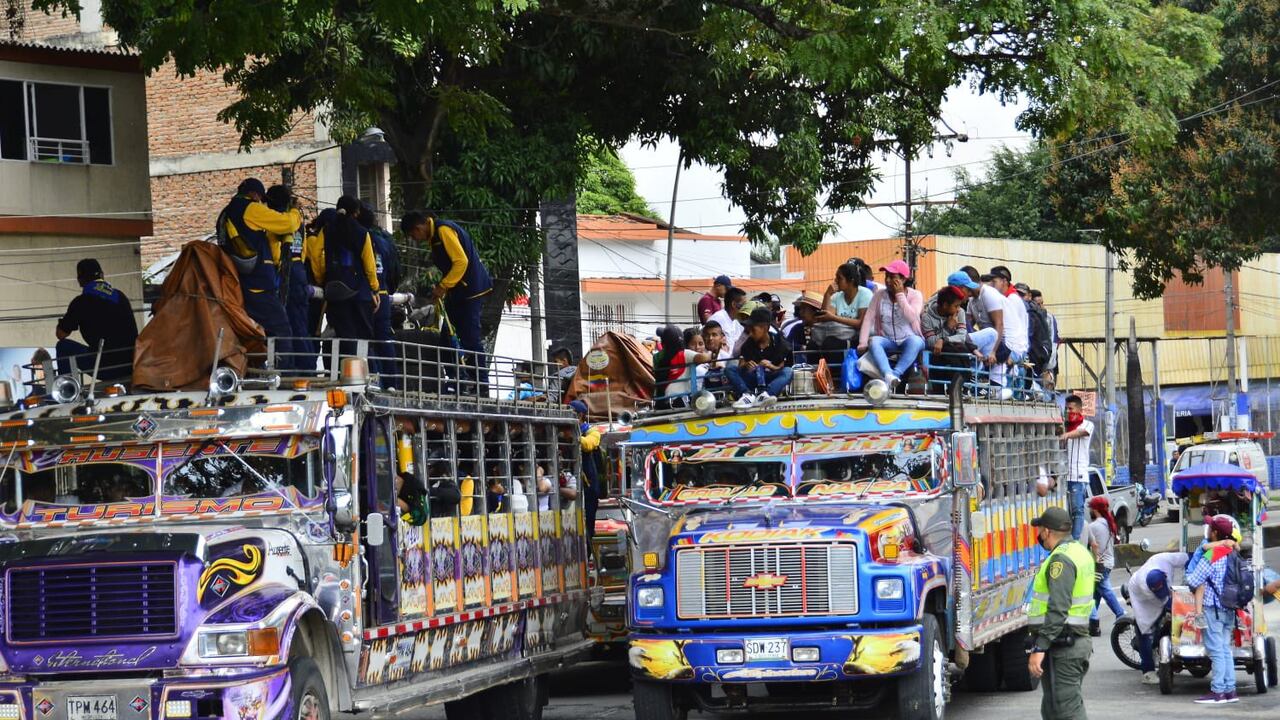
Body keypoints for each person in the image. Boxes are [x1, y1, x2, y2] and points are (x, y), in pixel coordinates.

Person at [400, 210, 494, 389]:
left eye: (414, 235)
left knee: (470, 338)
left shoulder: (443, 230)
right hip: (458, 292)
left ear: (419, 227)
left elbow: (461, 261)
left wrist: (443, 286)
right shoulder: (435, 236)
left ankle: (481, 384)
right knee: (446, 337)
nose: (416, 240)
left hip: (470, 291)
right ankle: (456, 380)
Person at [217, 178, 304, 369]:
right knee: (281, 328)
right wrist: (296, 212)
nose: (262, 203)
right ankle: (285, 374)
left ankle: (260, 370)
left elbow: (259, 240)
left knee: (255, 332)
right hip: (258, 285)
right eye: (260, 199)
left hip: (239, 282)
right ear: (255, 195)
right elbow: (287, 224)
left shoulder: (226, 213)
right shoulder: (251, 209)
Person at [1027, 506, 1096, 720]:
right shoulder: (1079, 551)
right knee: (1053, 709)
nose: (1039, 536)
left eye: (1040, 531)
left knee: (1066, 710)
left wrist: (1040, 647)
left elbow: (1058, 608)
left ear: (1047, 532)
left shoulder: (1060, 560)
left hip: (1066, 644)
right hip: (1070, 641)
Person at [308, 197, 382, 360]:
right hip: (359, 292)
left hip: (334, 291)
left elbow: (315, 253)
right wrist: (374, 289)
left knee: (344, 338)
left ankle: (345, 375)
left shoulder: (327, 229)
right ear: (356, 213)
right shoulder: (363, 233)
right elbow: (370, 267)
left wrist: (321, 277)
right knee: (363, 339)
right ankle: (361, 378)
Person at [1187, 514, 1242, 704]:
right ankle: (1230, 690)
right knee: (1225, 649)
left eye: (1210, 528)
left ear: (1215, 533)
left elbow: (1193, 580)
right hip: (1230, 608)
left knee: (1216, 650)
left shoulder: (1213, 554)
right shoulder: (1233, 552)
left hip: (1213, 609)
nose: (1208, 531)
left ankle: (1218, 692)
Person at [55, 259, 139, 381]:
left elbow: (61, 334)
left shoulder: (81, 302)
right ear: (102, 275)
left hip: (104, 366)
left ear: (80, 279)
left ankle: (68, 390)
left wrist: (63, 322)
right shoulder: (120, 297)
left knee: (63, 346)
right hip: (130, 365)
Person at [266, 185, 317, 372]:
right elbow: (303, 252)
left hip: (284, 272)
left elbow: (274, 252)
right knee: (301, 324)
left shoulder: (276, 222)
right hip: (299, 271)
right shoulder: (298, 222)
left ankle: (297, 368)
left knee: (286, 324)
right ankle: (308, 367)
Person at [857, 259, 924, 390]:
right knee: (874, 341)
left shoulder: (916, 295)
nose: (887, 280)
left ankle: (895, 374)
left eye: (892, 277)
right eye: (886, 276)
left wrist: (900, 295)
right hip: (888, 339)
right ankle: (888, 374)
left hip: (909, 338)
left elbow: (912, 317)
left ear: (903, 280)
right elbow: (868, 318)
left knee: (916, 341)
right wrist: (862, 342)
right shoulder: (879, 295)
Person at [1126, 551, 1189, 684]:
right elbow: (1166, 602)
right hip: (1141, 597)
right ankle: (1147, 672)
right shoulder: (1145, 587)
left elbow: (1187, 557)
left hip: (1162, 591)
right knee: (1144, 628)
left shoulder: (1163, 559)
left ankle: (1157, 644)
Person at [359, 203, 401, 382]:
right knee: (384, 338)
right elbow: (395, 270)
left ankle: (373, 380)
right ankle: (391, 381)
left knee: (364, 339)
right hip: (383, 293)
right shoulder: (385, 241)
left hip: (365, 293)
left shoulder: (358, 238)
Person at [920, 285, 983, 392]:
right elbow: (931, 342)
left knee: (959, 348)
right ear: (945, 305)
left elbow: (962, 337)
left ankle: (965, 383)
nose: (958, 309)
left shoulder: (960, 313)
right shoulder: (927, 317)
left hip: (956, 354)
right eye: (956, 306)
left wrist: (943, 340)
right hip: (937, 357)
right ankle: (966, 383)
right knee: (952, 349)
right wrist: (948, 328)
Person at [727, 308, 794, 409]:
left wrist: (771, 367)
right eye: (749, 330)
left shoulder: (780, 342)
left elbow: (785, 366)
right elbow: (741, 365)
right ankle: (747, 395)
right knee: (730, 369)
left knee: (788, 371)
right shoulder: (747, 344)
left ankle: (766, 395)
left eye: (753, 330)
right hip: (752, 379)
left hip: (771, 379)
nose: (750, 333)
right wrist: (746, 366)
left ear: (765, 328)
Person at [812, 262, 872, 371]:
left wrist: (834, 318)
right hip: (839, 334)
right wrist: (827, 294)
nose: (836, 281)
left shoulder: (865, 294)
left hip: (858, 337)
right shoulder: (836, 296)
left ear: (851, 281)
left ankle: (835, 374)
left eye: (839, 278)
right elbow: (825, 316)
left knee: (830, 344)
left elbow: (860, 323)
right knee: (813, 344)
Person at [1086, 496, 1126, 636]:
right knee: (1095, 593)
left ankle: (1121, 615)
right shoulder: (1108, 523)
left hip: (1099, 564)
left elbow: (1088, 545)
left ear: (1095, 509)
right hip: (1108, 562)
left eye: (1091, 507)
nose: (1090, 510)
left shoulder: (1094, 526)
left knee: (1104, 591)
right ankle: (1092, 621)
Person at [988, 266, 1029, 394]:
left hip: (1014, 351)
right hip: (1015, 350)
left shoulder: (1011, 300)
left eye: (994, 282)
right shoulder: (1009, 298)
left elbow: (1014, 330)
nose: (991, 285)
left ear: (1004, 281)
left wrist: (1011, 354)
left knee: (1009, 395)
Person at [958, 266, 1004, 374]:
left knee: (990, 333)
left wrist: (993, 352)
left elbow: (999, 324)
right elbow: (967, 325)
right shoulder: (971, 300)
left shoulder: (988, 294)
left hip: (1000, 343)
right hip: (987, 342)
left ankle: (980, 375)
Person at [1060, 394, 1094, 540]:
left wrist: (1066, 435)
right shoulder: (1064, 426)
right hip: (1064, 476)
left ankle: (1074, 540)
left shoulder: (1087, 424)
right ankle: (1066, 538)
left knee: (1077, 510)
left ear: (1079, 410)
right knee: (1066, 513)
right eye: (1066, 408)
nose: (1068, 411)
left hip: (1078, 477)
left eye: (1071, 408)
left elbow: (1081, 432)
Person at [653, 325, 714, 403]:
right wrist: (711, 352)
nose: (697, 347)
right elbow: (705, 358)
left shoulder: (659, 358)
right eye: (693, 344)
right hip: (679, 399)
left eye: (701, 344)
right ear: (684, 343)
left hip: (664, 399)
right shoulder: (684, 354)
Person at [707, 287, 747, 352]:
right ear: (734, 304)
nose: (746, 308)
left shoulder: (736, 322)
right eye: (744, 305)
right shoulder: (717, 319)